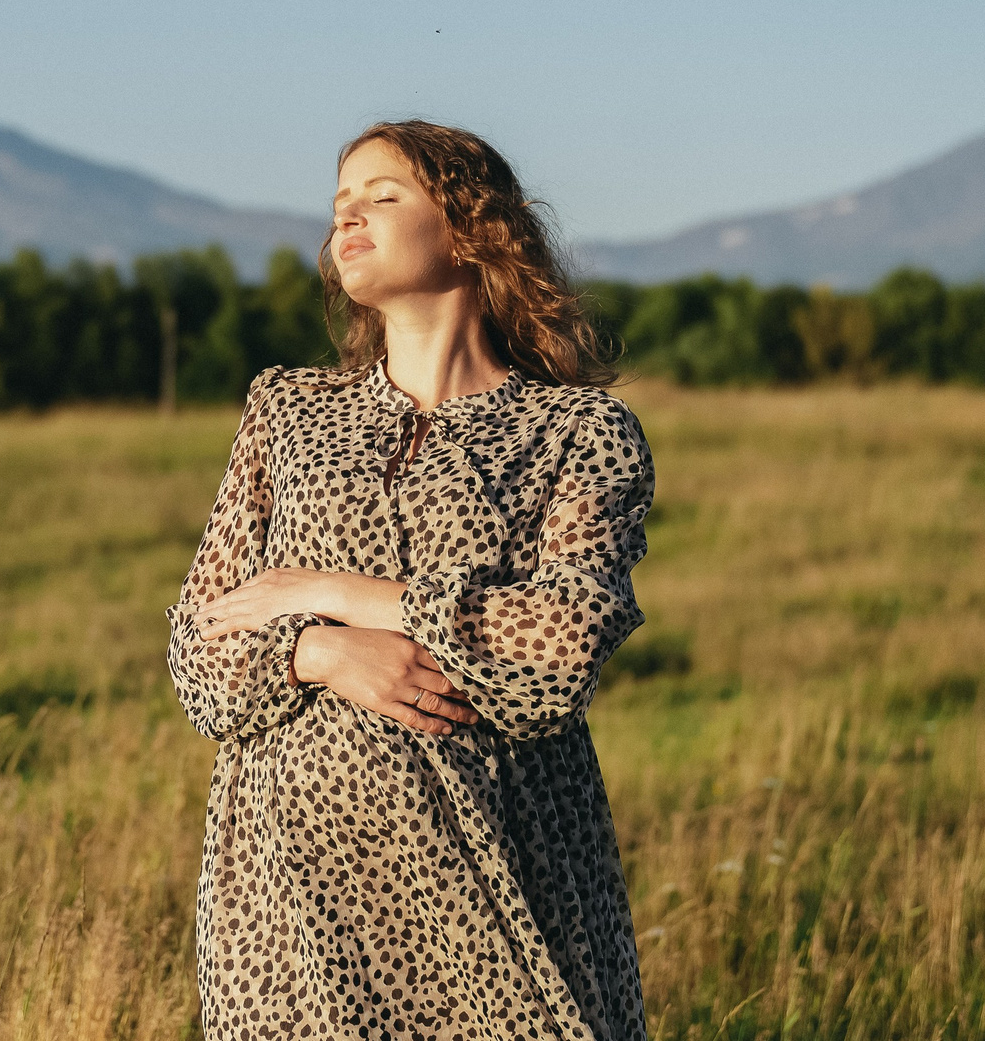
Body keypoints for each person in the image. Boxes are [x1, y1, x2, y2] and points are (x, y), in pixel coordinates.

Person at [167, 119, 653, 1041]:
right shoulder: (286, 411)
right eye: (339, 207)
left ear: (472, 228)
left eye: (380, 198)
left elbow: (557, 651)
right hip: (290, 910)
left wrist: (335, 590)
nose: (347, 221)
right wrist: (319, 652)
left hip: (499, 878)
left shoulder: (580, 433)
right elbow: (201, 653)